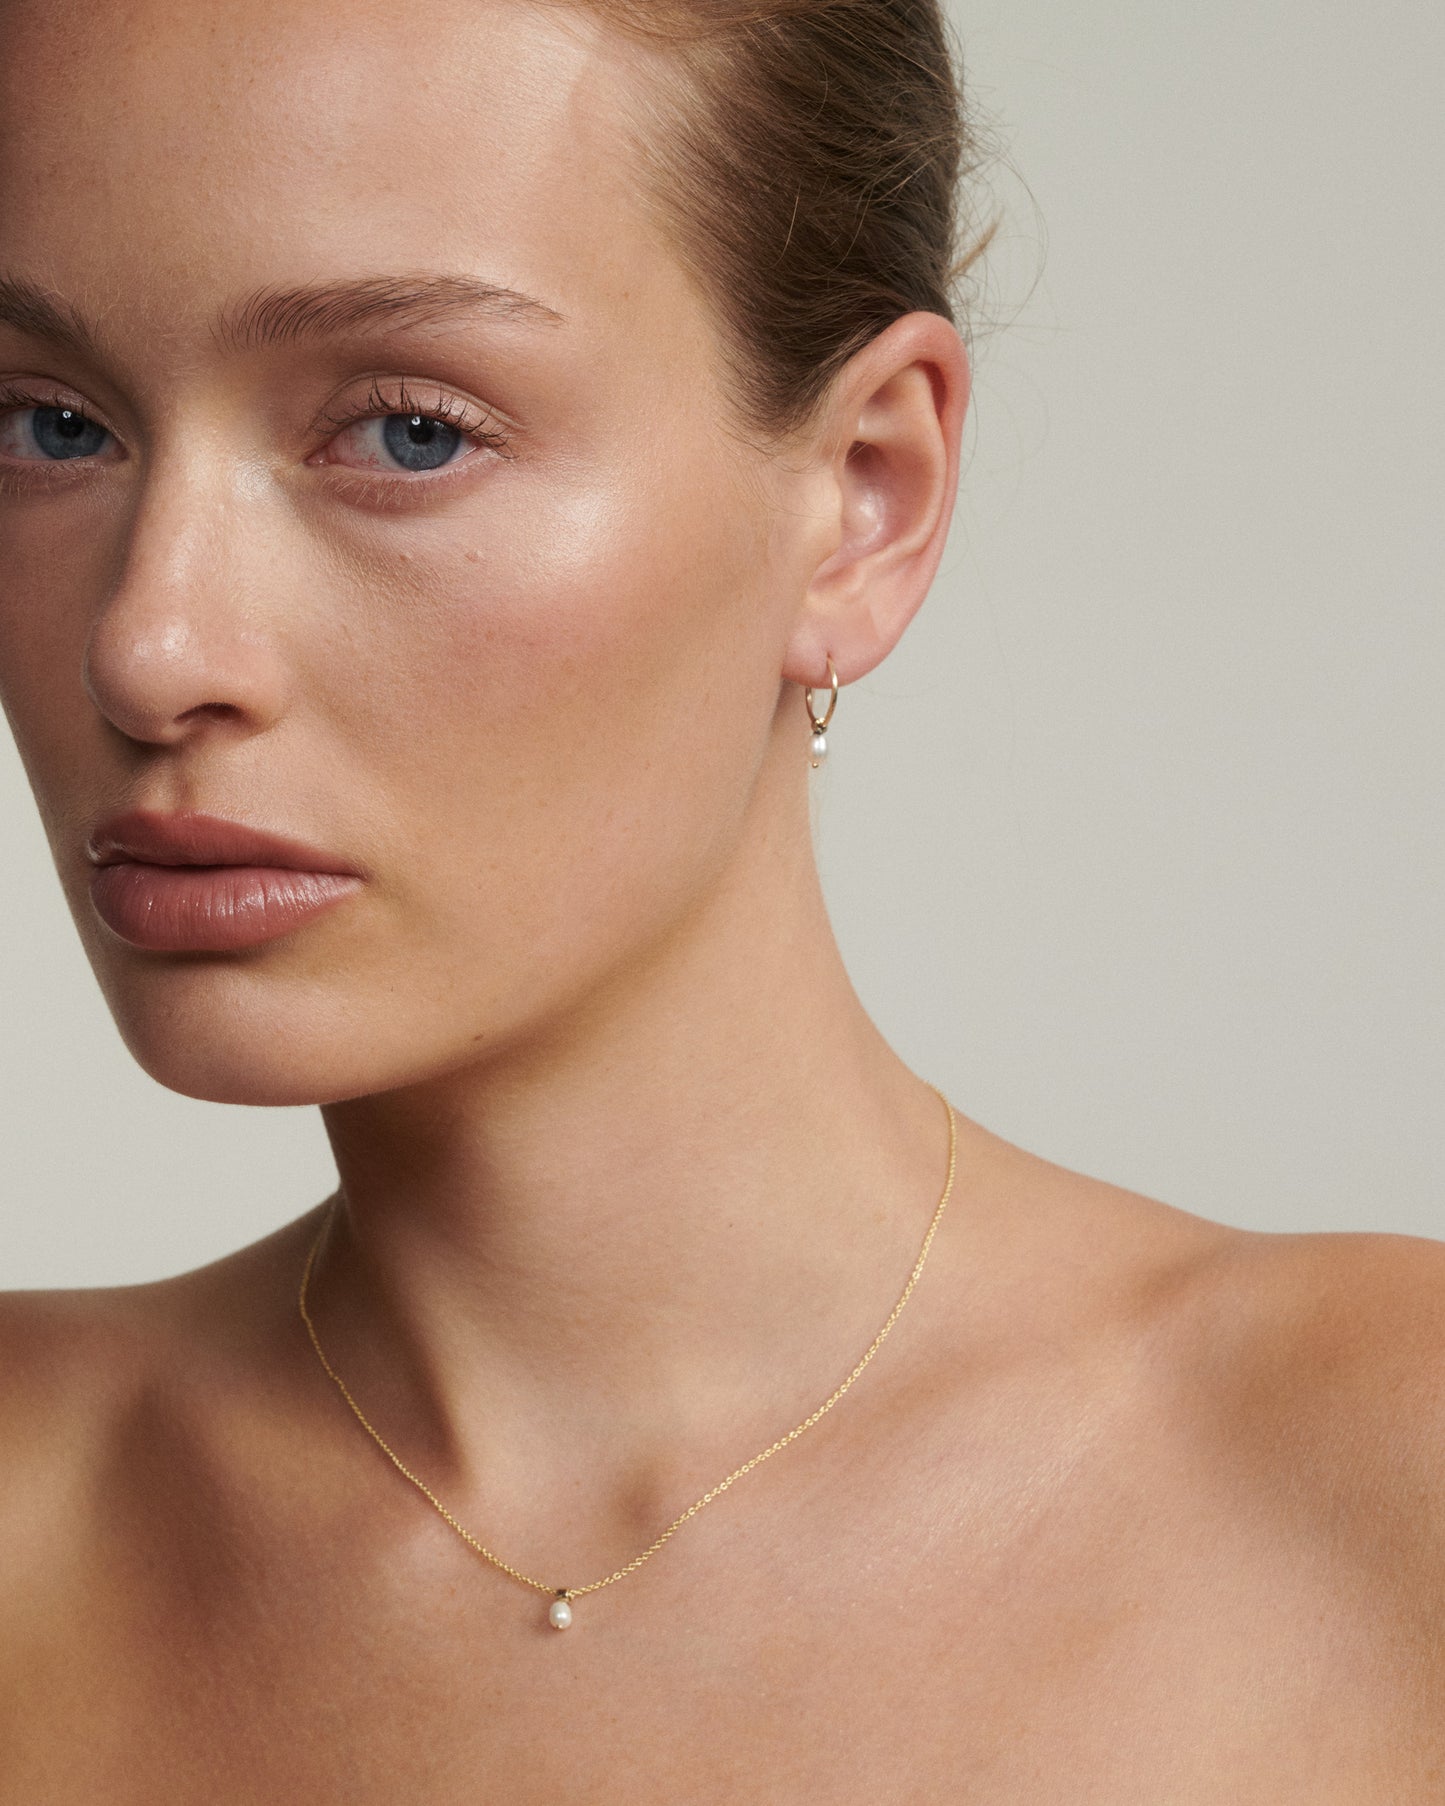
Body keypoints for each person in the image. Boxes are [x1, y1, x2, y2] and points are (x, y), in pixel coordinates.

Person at [1, 0, 1442, 1795]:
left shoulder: (1382, 1485)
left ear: (862, 498)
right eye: (52, 425)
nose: (149, 645)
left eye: (407, 433)